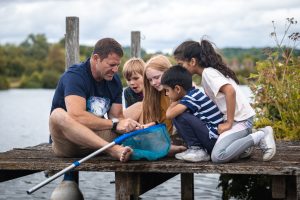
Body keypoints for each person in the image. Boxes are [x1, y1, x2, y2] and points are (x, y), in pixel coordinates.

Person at [173, 39, 276, 163]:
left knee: (218, 156)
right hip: (238, 122)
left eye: (180, 65)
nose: (180, 70)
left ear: (192, 61)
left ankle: (260, 135)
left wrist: (228, 122)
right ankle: (244, 146)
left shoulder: (208, 73)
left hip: (241, 121)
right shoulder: (207, 74)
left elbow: (230, 91)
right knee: (220, 149)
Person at [50, 38, 142, 163]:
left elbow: (117, 117)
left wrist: (130, 125)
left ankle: (146, 142)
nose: (115, 70)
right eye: (111, 65)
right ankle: (113, 150)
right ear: (96, 58)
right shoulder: (75, 76)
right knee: (57, 114)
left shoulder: (114, 81)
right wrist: (114, 124)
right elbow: (77, 116)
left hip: (98, 138)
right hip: (70, 143)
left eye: (117, 65)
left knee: (140, 106)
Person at [124, 54, 186, 154]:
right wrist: (147, 126)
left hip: (177, 135)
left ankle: (166, 148)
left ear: (168, 72)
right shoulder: (153, 94)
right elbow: (156, 121)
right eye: (150, 80)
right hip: (160, 133)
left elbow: (174, 122)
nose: (153, 83)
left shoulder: (177, 90)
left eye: (156, 77)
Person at [161, 65, 224, 162]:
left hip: (213, 140)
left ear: (177, 89)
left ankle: (198, 150)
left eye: (167, 90)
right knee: (178, 115)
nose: (166, 94)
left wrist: (174, 102)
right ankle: (194, 148)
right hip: (212, 138)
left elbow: (169, 115)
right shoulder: (193, 94)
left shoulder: (191, 97)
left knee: (178, 116)